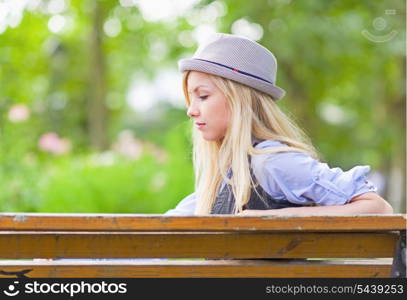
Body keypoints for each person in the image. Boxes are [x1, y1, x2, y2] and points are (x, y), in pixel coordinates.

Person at [165, 33, 393, 216]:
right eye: (190, 99)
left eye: (203, 96)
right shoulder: (228, 175)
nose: (191, 110)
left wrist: (281, 217)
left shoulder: (272, 162)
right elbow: (167, 227)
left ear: (240, 101)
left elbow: (378, 208)